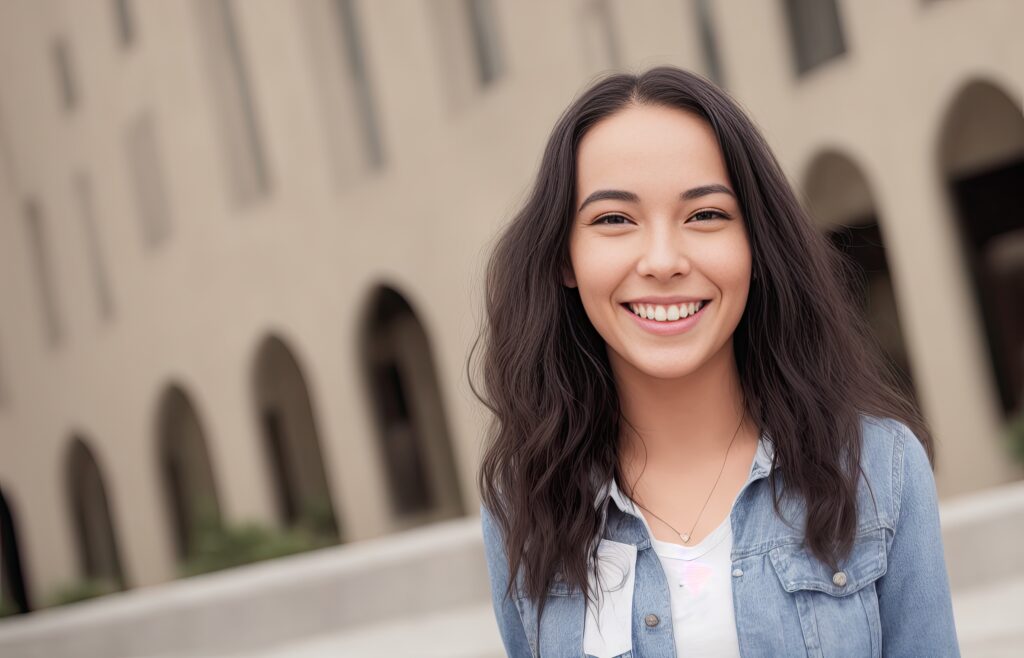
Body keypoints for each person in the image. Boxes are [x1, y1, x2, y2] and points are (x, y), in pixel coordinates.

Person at [473, 66, 960, 657]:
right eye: (613, 220)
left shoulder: (881, 469)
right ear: (564, 259)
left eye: (704, 215)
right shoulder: (523, 503)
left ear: (756, 245)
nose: (662, 260)